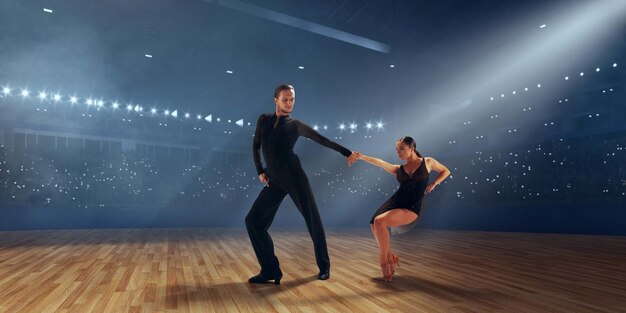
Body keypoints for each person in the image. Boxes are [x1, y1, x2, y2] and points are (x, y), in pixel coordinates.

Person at [246, 84, 358, 284]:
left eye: (292, 99)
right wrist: (260, 171)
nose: (289, 103)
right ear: (276, 100)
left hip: (294, 175)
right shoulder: (264, 120)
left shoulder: (295, 125)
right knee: (253, 221)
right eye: (285, 99)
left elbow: (321, 139)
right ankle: (270, 270)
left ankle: (325, 267)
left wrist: (347, 152)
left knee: (312, 219)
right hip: (273, 178)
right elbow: (256, 146)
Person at [352, 136, 450, 281]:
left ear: (412, 148)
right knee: (374, 223)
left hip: (412, 207)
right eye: (397, 149)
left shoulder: (428, 162)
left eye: (402, 149)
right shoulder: (399, 169)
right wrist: (362, 157)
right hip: (396, 201)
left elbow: (445, 171)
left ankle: (384, 263)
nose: (398, 152)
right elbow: (381, 163)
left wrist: (434, 183)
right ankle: (391, 257)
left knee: (380, 222)